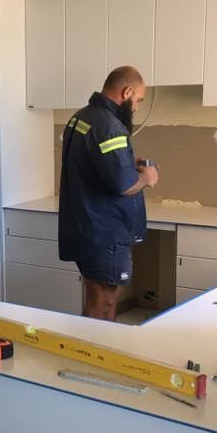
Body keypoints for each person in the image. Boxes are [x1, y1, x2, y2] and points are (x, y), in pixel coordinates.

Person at [58, 66, 159, 321]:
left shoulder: (83, 117)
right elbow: (124, 186)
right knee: (103, 301)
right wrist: (147, 177)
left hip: (86, 226)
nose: (136, 108)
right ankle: (90, 346)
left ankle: (100, 344)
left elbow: (92, 158)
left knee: (99, 298)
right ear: (127, 92)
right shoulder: (110, 126)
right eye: (138, 100)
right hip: (105, 231)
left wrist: (126, 160)